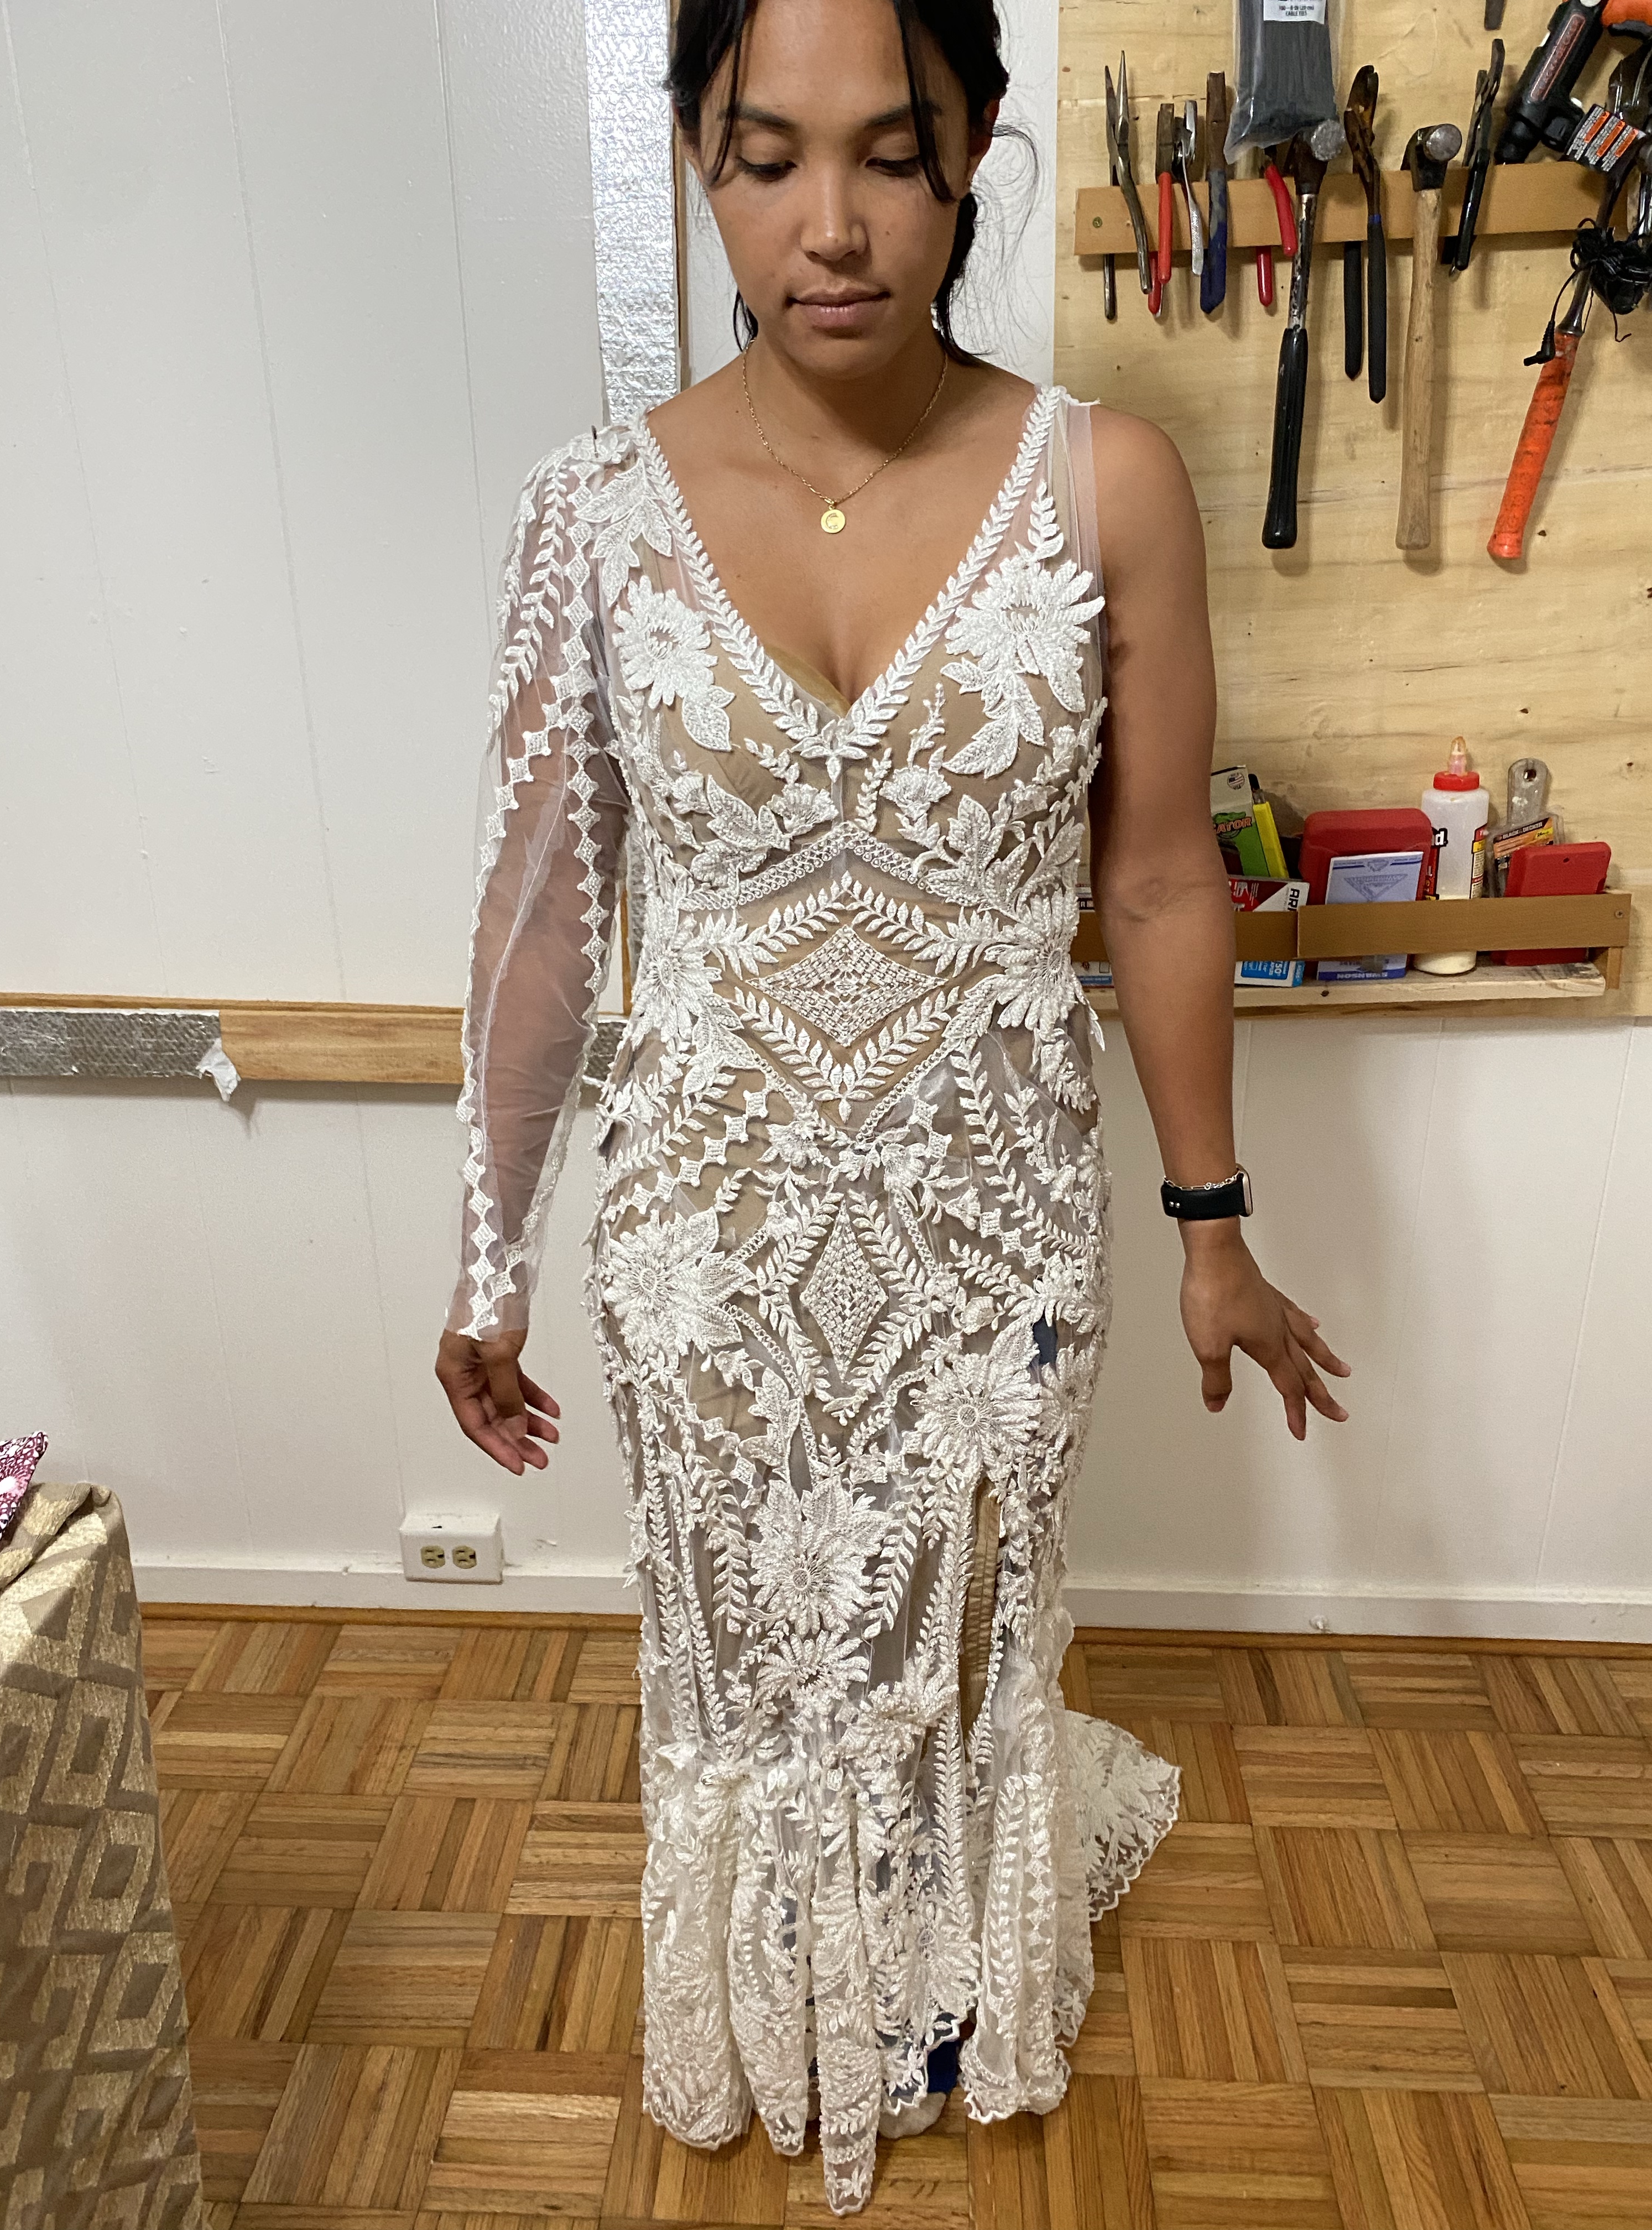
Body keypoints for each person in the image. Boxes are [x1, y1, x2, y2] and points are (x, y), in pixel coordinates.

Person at [435, 0, 1350, 2210]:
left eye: (888, 152)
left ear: (974, 149)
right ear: (696, 154)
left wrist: (1213, 1226)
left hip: (992, 1208)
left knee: (955, 1625)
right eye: (766, 158)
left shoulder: (1105, 483)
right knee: (747, 1643)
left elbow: (1157, 880)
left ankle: (932, 1995)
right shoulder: (591, 513)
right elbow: (545, 922)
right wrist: (486, 1259)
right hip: (706, 1221)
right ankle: (777, 2004)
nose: (828, 225)